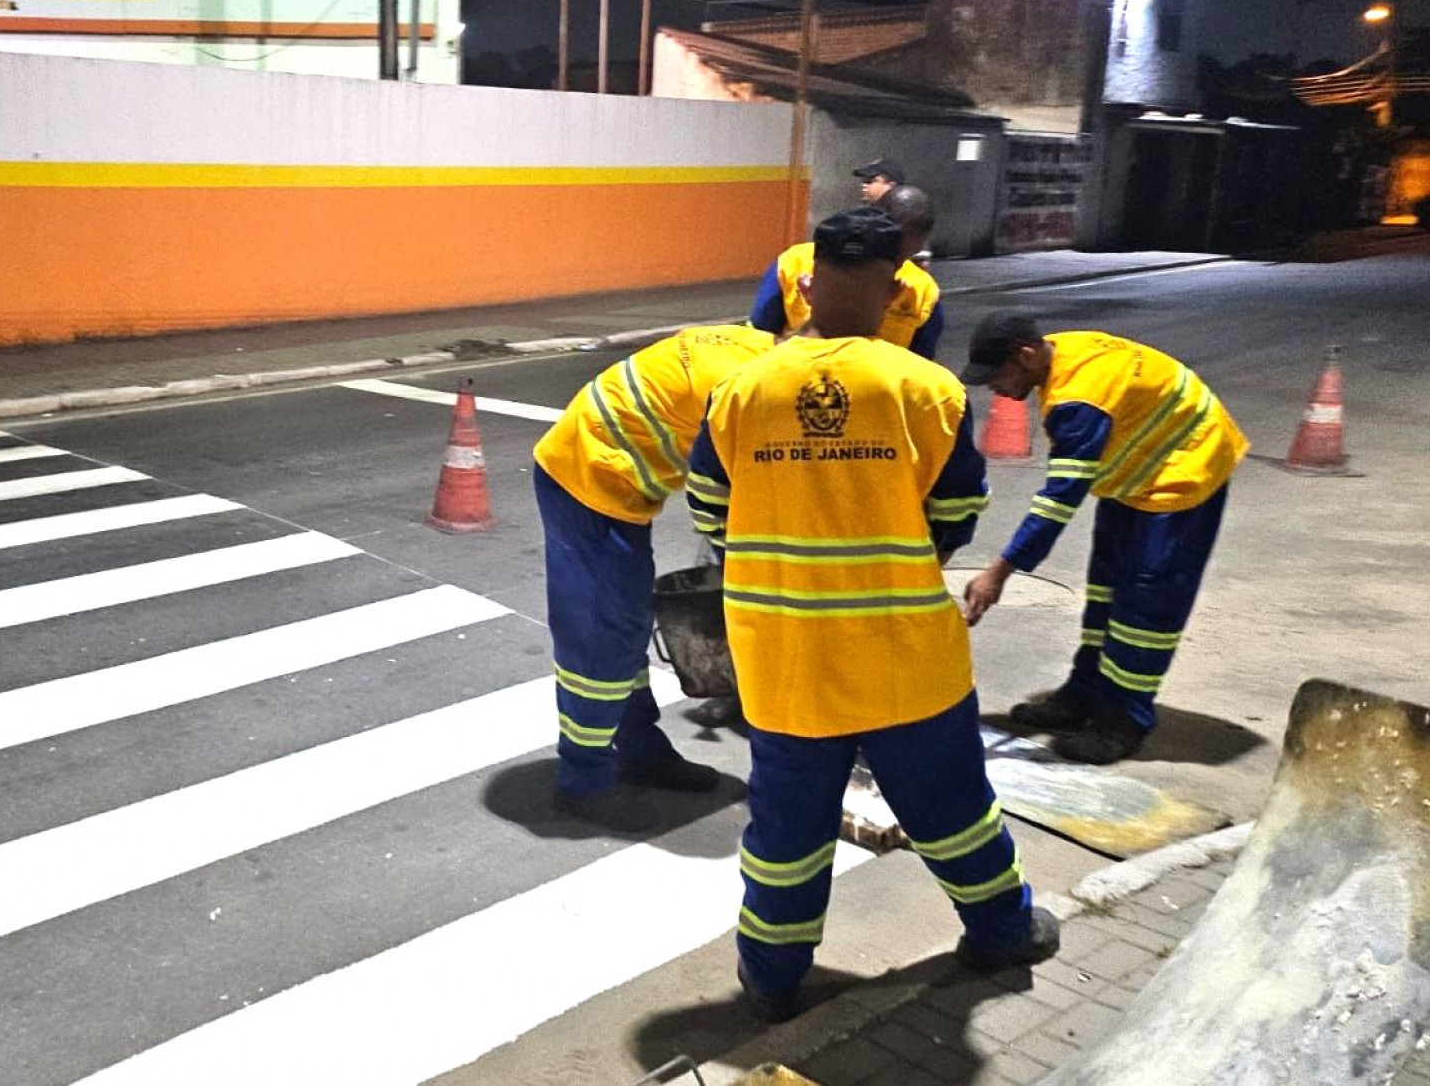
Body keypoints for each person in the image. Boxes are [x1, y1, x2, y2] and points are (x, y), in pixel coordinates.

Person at [688, 207, 1059, 1022]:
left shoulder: (741, 389)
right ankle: (1001, 931)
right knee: (954, 809)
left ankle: (771, 981)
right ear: (895, 292)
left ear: (808, 283)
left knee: (786, 829)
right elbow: (958, 512)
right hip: (903, 656)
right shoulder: (924, 389)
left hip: (784, 659)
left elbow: (711, 508)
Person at [959, 313, 1248, 764]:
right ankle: (1085, 693)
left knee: (1144, 606)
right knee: (1105, 591)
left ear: (1025, 354)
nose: (993, 388)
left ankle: (1124, 721)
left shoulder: (1079, 401)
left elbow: (1058, 501)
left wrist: (999, 572)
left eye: (998, 375)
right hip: (1135, 470)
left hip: (1184, 470)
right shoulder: (1058, 354)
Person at [532, 323, 779, 820]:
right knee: (602, 639)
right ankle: (583, 781)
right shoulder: (748, 394)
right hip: (588, 480)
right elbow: (723, 505)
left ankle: (640, 751)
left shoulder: (759, 344)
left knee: (625, 627)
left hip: (610, 474)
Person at [748, 184, 944, 359]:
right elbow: (760, 338)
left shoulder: (923, 292)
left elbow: (920, 368)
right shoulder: (793, 262)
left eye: (905, 253)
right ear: (807, 287)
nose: (896, 262)